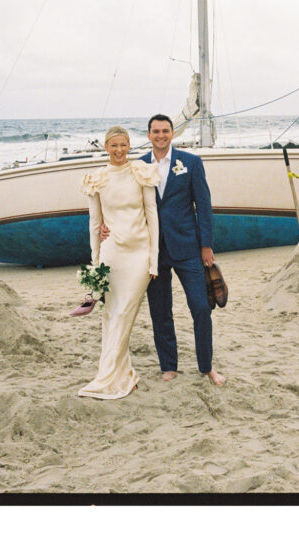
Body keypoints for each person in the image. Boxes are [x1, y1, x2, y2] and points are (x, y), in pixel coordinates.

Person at [101, 114, 225, 387]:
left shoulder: (191, 163)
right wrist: (104, 226)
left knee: (201, 308)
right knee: (160, 311)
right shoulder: (137, 166)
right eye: (155, 131)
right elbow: (123, 202)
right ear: (148, 135)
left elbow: (203, 206)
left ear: (172, 134)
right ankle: (169, 366)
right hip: (151, 251)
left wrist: (206, 246)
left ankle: (206, 367)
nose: (161, 135)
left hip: (188, 248)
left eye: (165, 131)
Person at [78, 125, 160, 400]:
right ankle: (121, 375)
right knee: (111, 313)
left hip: (139, 254)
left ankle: (108, 375)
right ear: (106, 147)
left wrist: (154, 260)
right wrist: (95, 262)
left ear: (129, 146)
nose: (119, 150)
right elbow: (94, 223)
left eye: (123, 145)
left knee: (125, 312)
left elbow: (152, 216)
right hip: (112, 253)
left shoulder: (141, 172)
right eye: (114, 145)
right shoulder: (96, 179)